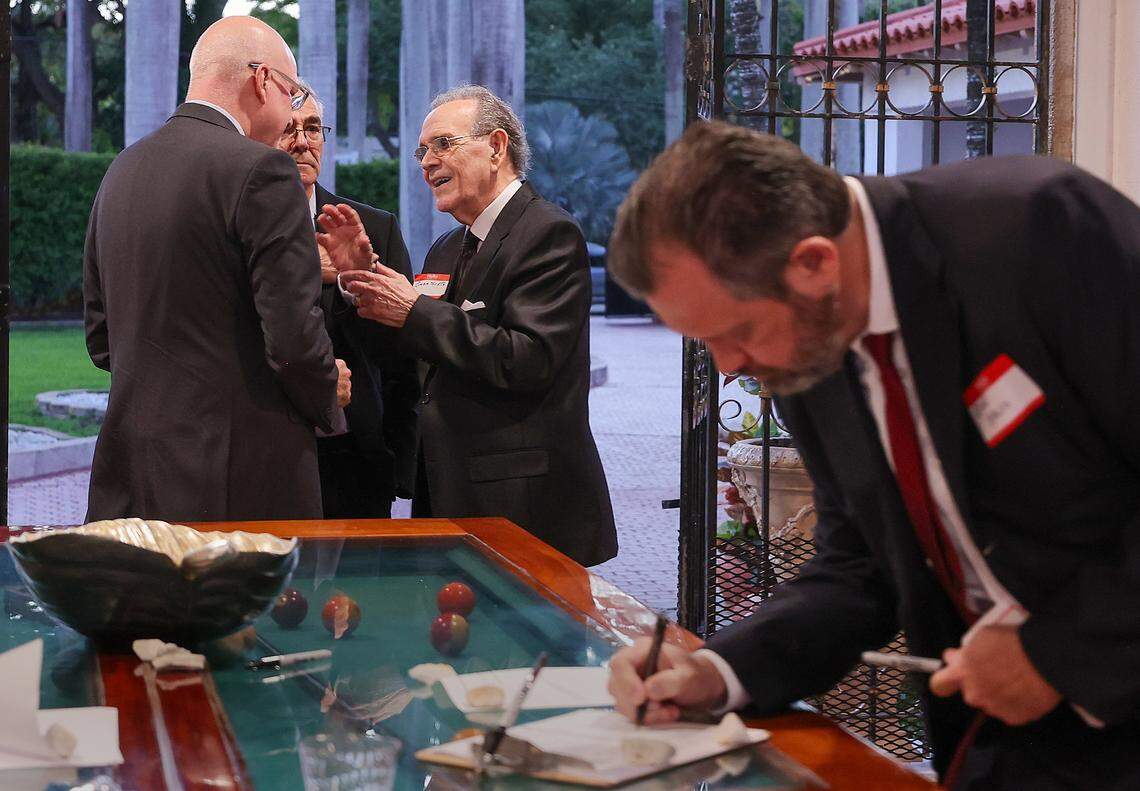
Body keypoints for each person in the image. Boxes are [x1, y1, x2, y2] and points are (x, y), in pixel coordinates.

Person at [604, 120, 1140, 789]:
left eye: (737, 331)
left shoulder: (1041, 229)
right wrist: (719, 671)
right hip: (1008, 742)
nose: (733, 366)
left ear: (814, 262)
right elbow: (861, 562)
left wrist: (1055, 655)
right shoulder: (806, 339)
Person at [83, 17, 367, 522]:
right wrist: (329, 387)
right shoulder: (262, 170)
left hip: (130, 471)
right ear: (263, 81)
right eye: (291, 94)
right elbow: (294, 343)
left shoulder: (120, 171)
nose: (289, 116)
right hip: (237, 478)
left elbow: (101, 339)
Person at [338, 85, 617, 566]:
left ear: (496, 147)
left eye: (443, 144)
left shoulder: (548, 233)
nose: (426, 162)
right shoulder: (444, 249)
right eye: (423, 151)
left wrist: (412, 310)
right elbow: (418, 352)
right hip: (446, 494)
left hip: (522, 506)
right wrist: (360, 283)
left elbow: (528, 359)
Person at [275, 90, 420, 518]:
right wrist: (306, 269)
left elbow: (400, 358)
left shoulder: (373, 228)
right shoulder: (234, 226)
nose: (303, 142)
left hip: (357, 456)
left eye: (314, 128)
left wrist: (352, 283)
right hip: (268, 452)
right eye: (288, 129)